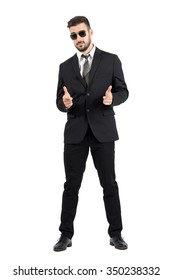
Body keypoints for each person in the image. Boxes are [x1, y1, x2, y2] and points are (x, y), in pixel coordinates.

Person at [53, 16, 129, 252]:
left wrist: (112, 99)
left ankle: (115, 234)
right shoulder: (65, 67)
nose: (78, 39)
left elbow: (123, 91)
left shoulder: (111, 60)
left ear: (90, 32)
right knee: (71, 186)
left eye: (81, 34)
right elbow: (58, 100)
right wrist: (64, 103)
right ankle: (65, 235)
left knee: (109, 184)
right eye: (73, 36)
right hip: (75, 133)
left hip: (103, 132)